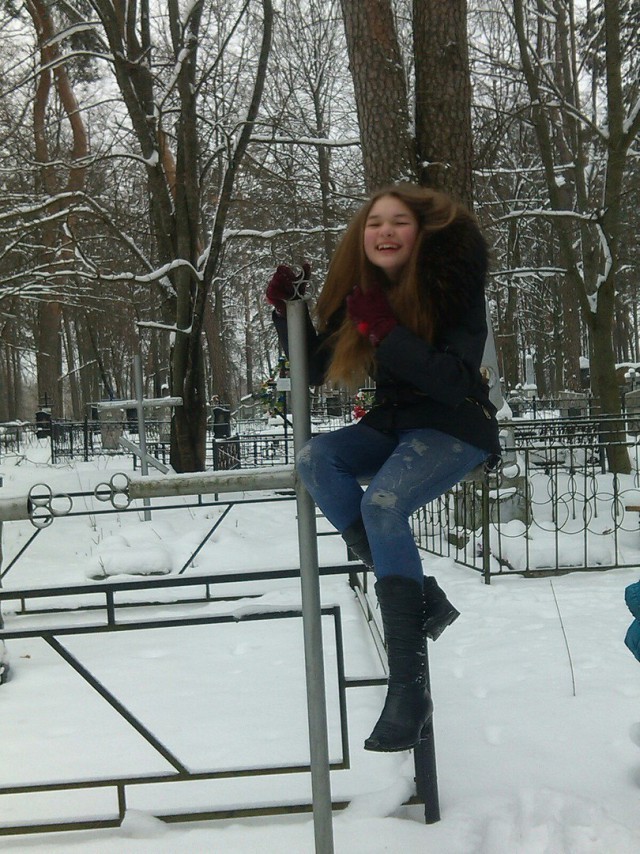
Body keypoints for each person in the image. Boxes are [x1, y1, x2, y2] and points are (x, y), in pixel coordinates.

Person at [266, 183, 501, 752]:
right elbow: (314, 370)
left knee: (384, 502)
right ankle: (424, 594)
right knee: (317, 458)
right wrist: (287, 314)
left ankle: (410, 689)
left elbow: (451, 381)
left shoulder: (453, 291)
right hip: (394, 423)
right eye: (374, 223)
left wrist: (384, 332)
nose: (385, 231)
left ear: (420, 233)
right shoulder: (367, 294)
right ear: (361, 237)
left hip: (454, 425)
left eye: (399, 222)